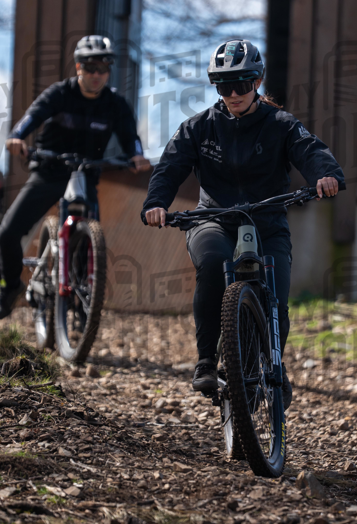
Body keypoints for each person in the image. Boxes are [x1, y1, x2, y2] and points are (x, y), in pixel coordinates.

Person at [141, 38, 344, 408]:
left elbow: (310, 150)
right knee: (213, 264)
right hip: (212, 219)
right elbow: (169, 167)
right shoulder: (198, 128)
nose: (233, 93)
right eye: (224, 85)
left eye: (242, 83)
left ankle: (274, 371)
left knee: (277, 299)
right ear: (215, 87)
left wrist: (325, 175)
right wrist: (156, 203)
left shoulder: (281, 124)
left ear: (258, 81)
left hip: (267, 222)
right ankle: (205, 361)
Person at [0, 35, 150, 321]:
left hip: (87, 175)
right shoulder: (59, 94)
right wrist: (16, 137)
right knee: (7, 233)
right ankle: (9, 287)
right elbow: (31, 118)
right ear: (78, 67)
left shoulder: (116, 104)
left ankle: (80, 300)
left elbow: (131, 140)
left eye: (103, 68)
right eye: (90, 68)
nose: (96, 74)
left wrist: (137, 156)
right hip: (50, 171)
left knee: (90, 235)